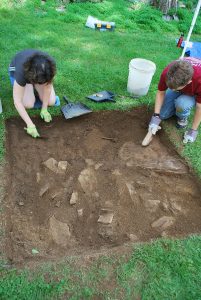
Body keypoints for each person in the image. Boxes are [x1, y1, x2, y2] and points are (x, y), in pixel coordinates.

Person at [148, 57, 201, 143]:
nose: (172, 90)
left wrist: (193, 131)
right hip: (181, 84)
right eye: (170, 88)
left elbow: (199, 107)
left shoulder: (199, 81)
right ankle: (175, 106)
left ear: (188, 82)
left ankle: (183, 117)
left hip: (194, 92)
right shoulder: (168, 73)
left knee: (182, 104)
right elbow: (161, 92)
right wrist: (156, 116)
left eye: (175, 89)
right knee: (163, 115)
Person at [9, 49, 60, 138]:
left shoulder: (50, 66)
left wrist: (44, 109)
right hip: (18, 71)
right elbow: (17, 101)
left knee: (51, 102)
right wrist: (30, 124)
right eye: (39, 82)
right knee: (28, 104)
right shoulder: (21, 72)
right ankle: (29, 88)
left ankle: (33, 91)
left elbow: (47, 86)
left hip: (36, 74)